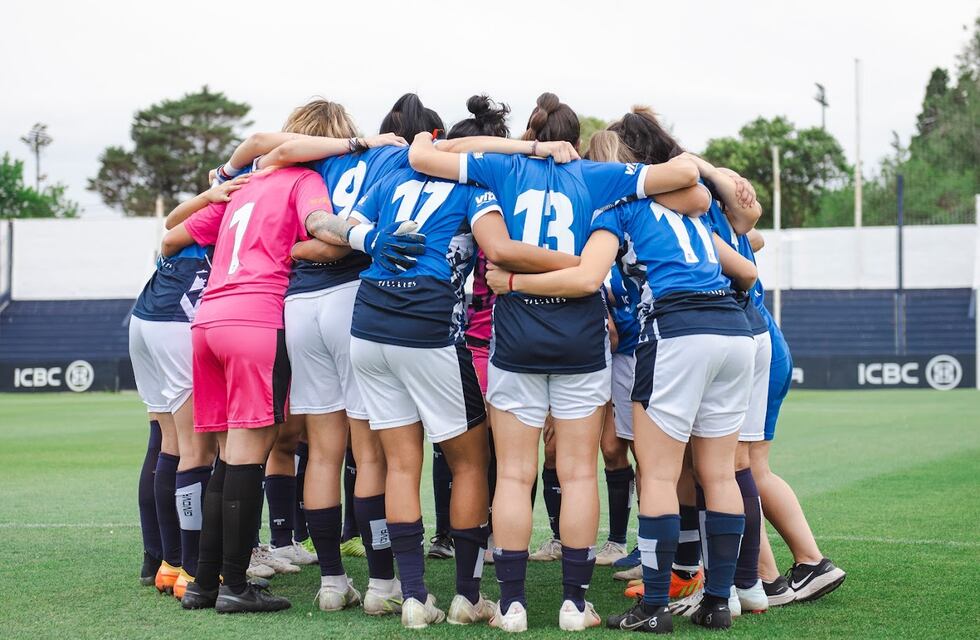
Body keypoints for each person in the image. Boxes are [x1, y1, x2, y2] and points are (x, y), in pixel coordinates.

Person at [408, 92, 709, 632]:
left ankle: (513, 605)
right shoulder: (599, 175)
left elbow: (423, 154)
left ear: (534, 133)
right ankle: (573, 604)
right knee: (576, 475)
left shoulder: (503, 165)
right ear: (574, 135)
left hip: (517, 336)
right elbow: (686, 175)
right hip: (580, 339)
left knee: (515, 475)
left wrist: (522, 149)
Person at [317, 96, 586, 629]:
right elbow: (501, 250)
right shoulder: (477, 185)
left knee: (399, 463)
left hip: (368, 324)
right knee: (470, 461)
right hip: (427, 324)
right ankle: (466, 594)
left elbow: (321, 222)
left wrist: (367, 238)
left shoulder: (395, 179)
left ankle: (413, 596)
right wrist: (577, 264)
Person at [486, 128, 760, 632]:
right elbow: (747, 264)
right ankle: (719, 601)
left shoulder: (614, 209)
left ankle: (654, 606)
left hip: (677, 331)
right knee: (719, 475)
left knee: (656, 475)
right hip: (735, 332)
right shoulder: (692, 210)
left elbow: (586, 277)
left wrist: (512, 281)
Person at [162, 159, 423, 614]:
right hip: (256, 317)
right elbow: (321, 227)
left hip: (207, 321)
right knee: (249, 453)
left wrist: (212, 194)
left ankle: (205, 582)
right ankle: (234, 585)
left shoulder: (245, 185)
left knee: (226, 455)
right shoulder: (304, 180)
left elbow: (171, 236)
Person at [130, 176, 247, 596]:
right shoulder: (245, 202)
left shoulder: (218, 199)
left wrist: (207, 195)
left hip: (147, 314)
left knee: (167, 442)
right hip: (178, 319)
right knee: (194, 449)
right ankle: (191, 568)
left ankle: (166, 560)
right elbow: (169, 239)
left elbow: (168, 233)